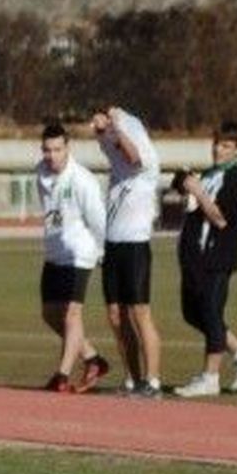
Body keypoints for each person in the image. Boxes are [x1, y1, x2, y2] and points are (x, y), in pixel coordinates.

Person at [170, 119, 237, 397]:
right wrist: (185, 185)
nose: (218, 150)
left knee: (211, 311)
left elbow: (222, 219)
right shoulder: (209, 174)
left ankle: (210, 376)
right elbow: (194, 206)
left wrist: (198, 191)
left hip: (218, 256)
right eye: (216, 144)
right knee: (193, 313)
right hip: (195, 256)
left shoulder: (236, 178)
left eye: (226, 146)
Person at [92, 105, 163, 396]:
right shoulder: (117, 160)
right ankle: (133, 378)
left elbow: (133, 155)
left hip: (135, 242)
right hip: (113, 242)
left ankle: (153, 380)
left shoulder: (145, 162)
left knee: (139, 312)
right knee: (115, 314)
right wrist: (101, 128)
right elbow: (108, 143)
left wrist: (116, 126)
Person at [35, 120, 109, 392]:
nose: (51, 155)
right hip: (54, 252)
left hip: (80, 253)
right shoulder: (40, 174)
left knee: (71, 314)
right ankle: (92, 357)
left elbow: (98, 220)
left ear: (68, 148)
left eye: (56, 149)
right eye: (47, 150)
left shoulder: (82, 180)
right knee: (50, 313)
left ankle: (62, 376)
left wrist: (102, 252)